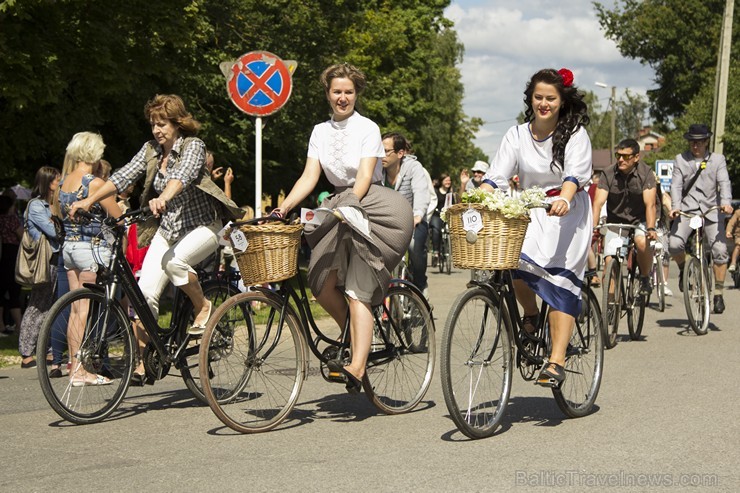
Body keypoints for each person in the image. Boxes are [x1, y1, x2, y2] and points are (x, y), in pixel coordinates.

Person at [69, 94, 242, 384]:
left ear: (177, 123)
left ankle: (202, 305)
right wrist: (89, 200)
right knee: (143, 292)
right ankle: (146, 357)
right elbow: (122, 176)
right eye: (153, 124)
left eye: (162, 124)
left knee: (175, 263)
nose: (157, 130)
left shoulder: (193, 146)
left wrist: (163, 197)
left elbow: (183, 176)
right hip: (169, 228)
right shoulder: (151, 150)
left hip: (203, 226)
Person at [271, 63, 413, 391]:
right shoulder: (320, 132)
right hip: (336, 203)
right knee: (320, 284)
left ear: (356, 94)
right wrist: (285, 206)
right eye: (337, 91)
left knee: (358, 287)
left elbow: (364, 177)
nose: (343, 97)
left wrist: (349, 205)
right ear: (327, 93)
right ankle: (353, 336)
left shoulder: (368, 128)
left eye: (348, 92)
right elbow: (310, 176)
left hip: (373, 207)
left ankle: (359, 366)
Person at [478, 67, 592, 388]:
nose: (543, 103)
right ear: (530, 98)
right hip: (531, 209)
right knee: (515, 265)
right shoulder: (516, 134)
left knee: (558, 282)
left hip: (566, 213)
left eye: (550, 99)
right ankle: (530, 314)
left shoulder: (574, 134)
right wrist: (476, 198)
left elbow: (574, 175)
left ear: (561, 101)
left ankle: (556, 360)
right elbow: (497, 174)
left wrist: (565, 199)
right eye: (538, 97)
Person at [57, 132, 122, 383]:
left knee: (76, 310)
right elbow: (117, 216)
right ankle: (80, 371)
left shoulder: (65, 181)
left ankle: (74, 368)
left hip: (69, 249)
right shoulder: (93, 183)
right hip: (89, 249)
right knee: (84, 311)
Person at [668, 123, 733, 314]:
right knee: (674, 243)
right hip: (688, 210)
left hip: (712, 209)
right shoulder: (680, 160)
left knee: (720, 249)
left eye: (698, 143)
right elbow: (676, 186)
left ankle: (718, 293)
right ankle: (683, 269)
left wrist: (726, 203)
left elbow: (724, 183)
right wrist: (675, 207)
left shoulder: (718, 160)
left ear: (706, 142)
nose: (694, 146)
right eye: (691, 143)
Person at [592, 138, 658, 296]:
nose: (621, 159)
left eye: (626, 156)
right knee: (609, 260)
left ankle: (644, 277)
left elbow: (650, 204)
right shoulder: (608, 173)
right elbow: (598, 203)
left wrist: (650, 228)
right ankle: (611, 304)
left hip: (640, 219)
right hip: (616, 221)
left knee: (641, 242)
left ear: (636, 157)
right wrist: (593, 228)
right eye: (618, 155)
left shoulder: (646, 173)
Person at [17, 166, 63, 368]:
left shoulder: (51, 204)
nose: (60, 183)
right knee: (37, 304)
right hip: (44, 260)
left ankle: (48, 350)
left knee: (51, 304)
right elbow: (53, 231)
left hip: (54, 259)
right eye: (56, 180)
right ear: (47, 182)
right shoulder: (37, 206)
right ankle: (26, 352)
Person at [381, 131, 434, 297]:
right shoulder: (377, 170)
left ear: (400, 153)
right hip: (388, 222)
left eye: (386, 151)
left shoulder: (413, 168)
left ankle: (419, 284)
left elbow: (420, 192)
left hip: (413, 220)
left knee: (414, 247)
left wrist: (417, 215)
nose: (381, 155)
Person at [0, 195, 23, 336]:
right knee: (14, 291)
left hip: (2, 256)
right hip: (12, 255)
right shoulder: (12, 220)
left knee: (1, 291)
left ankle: (1, 325)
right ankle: (19, 326)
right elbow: (22, 236)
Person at [429, 173, 456, 267]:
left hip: (447, 216)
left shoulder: (451, 193)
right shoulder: (436, 191)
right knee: (436, 229)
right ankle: (436, 252)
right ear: (441, 181)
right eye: (446, 180)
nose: (448, 182)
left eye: (449, 180)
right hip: (437, 215)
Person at [726, 207, 740, 273]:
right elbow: (731, 223)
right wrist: (728, 231)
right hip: (739, 235)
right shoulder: (738, 213)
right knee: (739, 245)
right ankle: (733, 263)